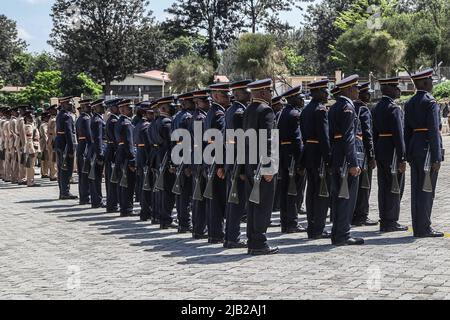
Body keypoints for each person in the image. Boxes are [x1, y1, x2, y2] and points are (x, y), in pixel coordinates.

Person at [404, 68, 444, 238]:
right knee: (427, 190)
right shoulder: (430, 102)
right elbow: (434, 130)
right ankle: (424, 227)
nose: (432, 84)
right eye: (431, 81)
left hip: (415, 148)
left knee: (416, 190)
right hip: (428, 149)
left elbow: (406, 131)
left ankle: (418, 226)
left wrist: (408, 152)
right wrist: (436, 156)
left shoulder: (410, 102)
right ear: (425, 82)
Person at [243, 79, 279, 255]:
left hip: (250, 164)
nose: (272, 95)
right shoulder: (266, 111)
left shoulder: (248, 110)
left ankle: (252, 240)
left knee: (253, 204)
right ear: (264, 92)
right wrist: (268, 167)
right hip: (261, 165)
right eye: (270, 91)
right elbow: (267, 140)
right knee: (263, 205)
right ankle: (259, 243)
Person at [328, 75, 364, 246]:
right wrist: (353, 162)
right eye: (356, 88)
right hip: (345, 158)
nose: (358, 91)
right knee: (346, 197)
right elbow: (348, 136)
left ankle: (337, 233)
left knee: (338, 197)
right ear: (349, 89)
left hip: (336, 156)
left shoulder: (335, 106)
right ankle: (343, 234)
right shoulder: (348, 107)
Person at [372, 77, 408, 232]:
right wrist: (402, 157)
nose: (398, 90)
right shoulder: (394, 108)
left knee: (383, 186)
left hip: (380, 148)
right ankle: (391, 221)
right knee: (395, 186)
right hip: (392, 150)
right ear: (388, 89)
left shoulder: (376, 107)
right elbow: (399, 135)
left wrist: (373, 153)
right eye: (396, 87)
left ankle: (384, 219)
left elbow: (373, 133)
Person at [300, 79, 332, 239]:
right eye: (325, 91)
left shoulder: (306, 110)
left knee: (311, 191)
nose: (327, 94)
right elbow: (324, 137)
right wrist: (328, 159)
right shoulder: (320, 110)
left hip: (308, 152)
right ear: (318, 92)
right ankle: (318, 228)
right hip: (319, 153)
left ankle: (312, 226)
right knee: (321, 193)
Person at [224, 80, 251, 249]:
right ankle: (233, 237)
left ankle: (230, 236)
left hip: (231, 160)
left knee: (233, 201)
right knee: (237, 202)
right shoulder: (240, 112)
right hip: (237, 162)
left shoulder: (231, 110)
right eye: (247, 92)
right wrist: (241, 168)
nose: (250, 95)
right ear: (239, 93)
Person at [278, 86, 306, 234]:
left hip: (284, 155)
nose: (302, 100)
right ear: (293, 98)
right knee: (293, 191)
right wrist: (301, 161)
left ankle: (285, 222)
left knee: (285, 191)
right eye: (300, 97)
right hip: (292, 157)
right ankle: (292, 222)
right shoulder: (295, 114)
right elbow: (297, 140)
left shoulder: (284, 112)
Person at [204, 83, 230, 244]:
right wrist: (221, 165)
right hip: (216, 159)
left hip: (210, 158)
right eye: (225, 95)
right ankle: (217, 233)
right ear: (215, 96)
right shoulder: (219, 113)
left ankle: (214, 233)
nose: (228, 98)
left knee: (213, 199)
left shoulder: (211, 112)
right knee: (218, 199)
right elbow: (219, 140)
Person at [148, 96, 178, 229]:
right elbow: (171, 144)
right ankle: (166, 218)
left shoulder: (154, 122)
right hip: (165, 158)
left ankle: (158, 216)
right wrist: (172, 162)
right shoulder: (167, 123)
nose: (174, 107)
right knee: (167, 191)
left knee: (159, 190)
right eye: (171, 105)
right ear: (164, 108)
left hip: (156, 157)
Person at [352, 82, 378, 226]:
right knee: (364, 185)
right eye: (367, 93)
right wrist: (372, 155)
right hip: (363, 152)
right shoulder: (363, 109)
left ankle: (354, 213)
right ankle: (362, 215)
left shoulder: (352, 107)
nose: (369, 95)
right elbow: (368, 134)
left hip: (353, 150)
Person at [172, 92, 195, 233]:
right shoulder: (187, 117)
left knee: (181, 192)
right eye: (193, 102)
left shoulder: (176, 117)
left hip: (178, 154)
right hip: (185, 155)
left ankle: (182, 222)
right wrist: (188, 164)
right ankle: (185, 223)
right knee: (186, 192)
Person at [190, 90, 211, 239]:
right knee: (200, 197)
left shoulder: (198, 117)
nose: (209, 104)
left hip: (198, 159)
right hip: (201, 159)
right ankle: (199, 228)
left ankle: (199, 228)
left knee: (199, 196)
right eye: (206, 101)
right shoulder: (200, 118)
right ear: (198, 103)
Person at [115, 99, 137, 217]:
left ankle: (123, 207)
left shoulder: (119, 122)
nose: (131, 110)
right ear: (123, 109)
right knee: (128, 183)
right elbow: (129, 143)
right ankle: (127, 208)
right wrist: (132, 159)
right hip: (126, 156)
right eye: (129, 108)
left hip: (120, 154)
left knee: (122, 183)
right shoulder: (127, 124)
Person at [54, 97, 78, 200]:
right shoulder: (67, 116)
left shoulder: (60, 115)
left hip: (60, 143)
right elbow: (69, 133)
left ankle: (62, 191)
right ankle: (65, 192)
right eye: (69, 104)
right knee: (66, 169)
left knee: (61, 169)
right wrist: (71, 149)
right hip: (65, 145)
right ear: (65, 104)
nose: (71, 106)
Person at [137, 101, 155, 222]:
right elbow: (149, 147)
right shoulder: (146, 126)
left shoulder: (139, 124)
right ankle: (147, 211)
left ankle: (145, 211)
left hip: (140, 156)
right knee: (147, 186)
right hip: (146, 157)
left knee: (144, 185)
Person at [104, 98, 122, 213]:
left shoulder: (111, 119)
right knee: (113, 179)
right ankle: (113, 204)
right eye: (118, 107)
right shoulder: (115, 121)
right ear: (114, 108)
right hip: (114, 150)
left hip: (109, 149)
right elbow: (116, 139)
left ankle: (111, 204)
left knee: (110, 179)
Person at [89, 99, 106, 209]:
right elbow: (98, 138)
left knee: (95, 177)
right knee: (96, 177)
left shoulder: (94, 119)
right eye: (101, 106)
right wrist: (100, 154)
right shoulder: (98, 120)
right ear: (96, 108)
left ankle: (96, 199)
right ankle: (97, 200)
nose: (104, 107)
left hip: (93, 149)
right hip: (96, 150)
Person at [75, 99, 93, 205]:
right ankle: (86, 196)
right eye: (88, 106)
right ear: (83, 107)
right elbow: (89, 136)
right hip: (86, 146)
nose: (90, 107)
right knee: (86, 173)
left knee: (82, 174)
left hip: (81, 145)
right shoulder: (86, 119)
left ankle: (83, 196)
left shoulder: (80, 118)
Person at [23, 108, 40, 187]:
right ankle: (30, 181)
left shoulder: (32, 125)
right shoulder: (28, 126)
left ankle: (30, 180)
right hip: (32, 147)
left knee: (31, 165)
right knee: (31, 166)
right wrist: (31, 149)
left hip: (34, 145)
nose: (32, 117)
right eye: (30, 116)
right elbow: (29, 139)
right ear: (27, 118)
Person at [47, 104, 58, 181]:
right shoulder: (54, 120)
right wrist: (55, 141)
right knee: (54, 158)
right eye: (55, 109)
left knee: (52, 158)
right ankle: (53, 175)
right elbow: (54, 132)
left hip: (50, 139)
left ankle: (52, 174)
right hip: (53, 140)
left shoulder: (51, 119)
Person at [39, 112, 51, 179]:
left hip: (44, 142)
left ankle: (44, 172)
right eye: (47, 117)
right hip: (44, 143)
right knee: (45, 158)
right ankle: (44, 173)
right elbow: (45, 135)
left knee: (45, 158)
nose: (48, 118)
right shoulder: (44, 125)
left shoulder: (44, 124)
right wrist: (48, 143)